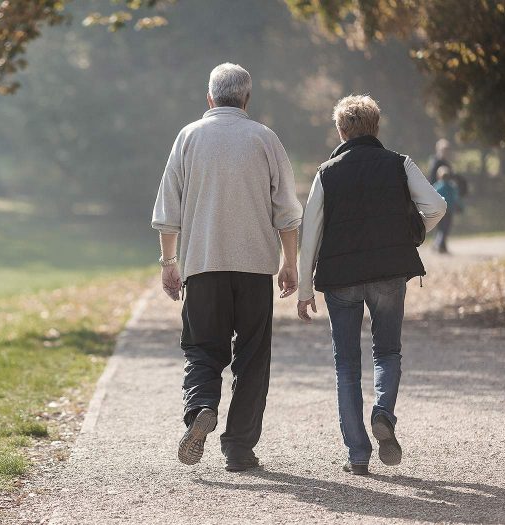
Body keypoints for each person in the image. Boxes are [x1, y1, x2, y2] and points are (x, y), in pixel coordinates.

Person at [151, 62, 303, 472]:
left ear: (209, 97)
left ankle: (201, 407)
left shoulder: (188, 137)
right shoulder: (265, 139)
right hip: (255, 269)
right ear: (246, 98)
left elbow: (169, 209)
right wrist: (290, 262)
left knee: (202, 348)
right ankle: (238, 449)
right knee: (252, 358)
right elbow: (287, 211)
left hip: (203, 265)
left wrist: (169, 262)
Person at [296, 95, 446, 476]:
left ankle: (358, 455)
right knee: (388, 353)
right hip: (389, 273)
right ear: (376, 128)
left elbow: (310, 230)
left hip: (340, 280)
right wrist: (411, 233)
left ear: (341, 131)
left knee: (346, 364)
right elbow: (437, 206)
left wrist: (304, 288)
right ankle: (383, 414)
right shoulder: (400, 164)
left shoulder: (326, 173)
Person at [433, 166, 463, 254]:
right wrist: (460, 207)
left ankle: (440, 245)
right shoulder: (452, 186)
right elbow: (456, 198)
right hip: (449, 210)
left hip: (439, 211)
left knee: (440, 229)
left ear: (439, 176)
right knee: (445, 229)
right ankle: (440, 245)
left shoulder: (437, 186)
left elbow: (433, 198)